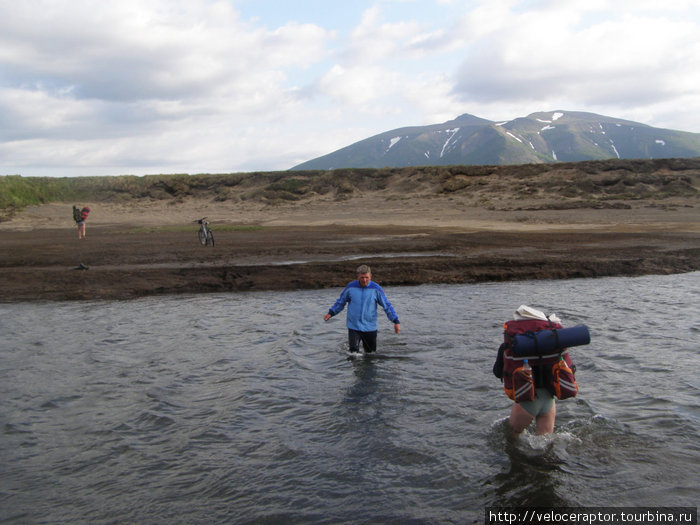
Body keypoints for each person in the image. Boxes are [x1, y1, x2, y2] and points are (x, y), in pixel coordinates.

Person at [323, 264, 401, 353]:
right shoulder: (350, 287)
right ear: (358, 277)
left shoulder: (376, 289)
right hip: (354, 326)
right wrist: (331, 313)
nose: (364, 280)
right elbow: (340, 303)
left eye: (367, 277)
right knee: (353, 354)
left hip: (370, 327)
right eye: (362, 277)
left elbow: (387, 306)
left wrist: (395, 321)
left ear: (370, 276)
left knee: (370, 354)